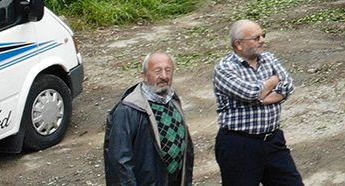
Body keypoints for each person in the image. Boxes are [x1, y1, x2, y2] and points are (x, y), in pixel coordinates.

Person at [213, 20, 303, 186]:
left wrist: (266, 94)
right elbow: (250, 93)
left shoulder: (269, 58)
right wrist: (273, 82)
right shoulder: (225, 68)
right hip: (240, 146)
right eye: (256, 38)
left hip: (273, 141)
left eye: (263, 35)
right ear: (238, 44)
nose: (262, 40)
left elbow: (288, 85)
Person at [106, 52, 194, 186]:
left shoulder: (173, 100)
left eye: (168, 70)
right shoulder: (127, 110)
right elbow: (119, 162)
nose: (164, 76)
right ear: (145, 75)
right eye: (157, 71)